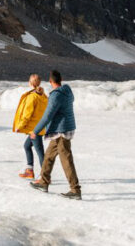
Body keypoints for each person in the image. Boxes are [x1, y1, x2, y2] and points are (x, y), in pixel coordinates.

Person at [29, 70, 81, 200]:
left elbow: (47, 115)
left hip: (61, 131)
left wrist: (35, 131)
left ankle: (75, 190)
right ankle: (43, 183)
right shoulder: (67, 90)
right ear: (61, 79)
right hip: (64, 128)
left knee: (66, 160)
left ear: (51, 81)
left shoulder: (56, 95)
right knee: (48, 157)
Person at [12, 73, 48, 179]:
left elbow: (27, 114)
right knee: (27, 146)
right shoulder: (43, 96)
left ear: (31, 83)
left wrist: (20, 125)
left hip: (34, 129)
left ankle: (44, 176)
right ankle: (29, 171)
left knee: (40, 151)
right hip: (39, 127)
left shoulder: (32, 97)